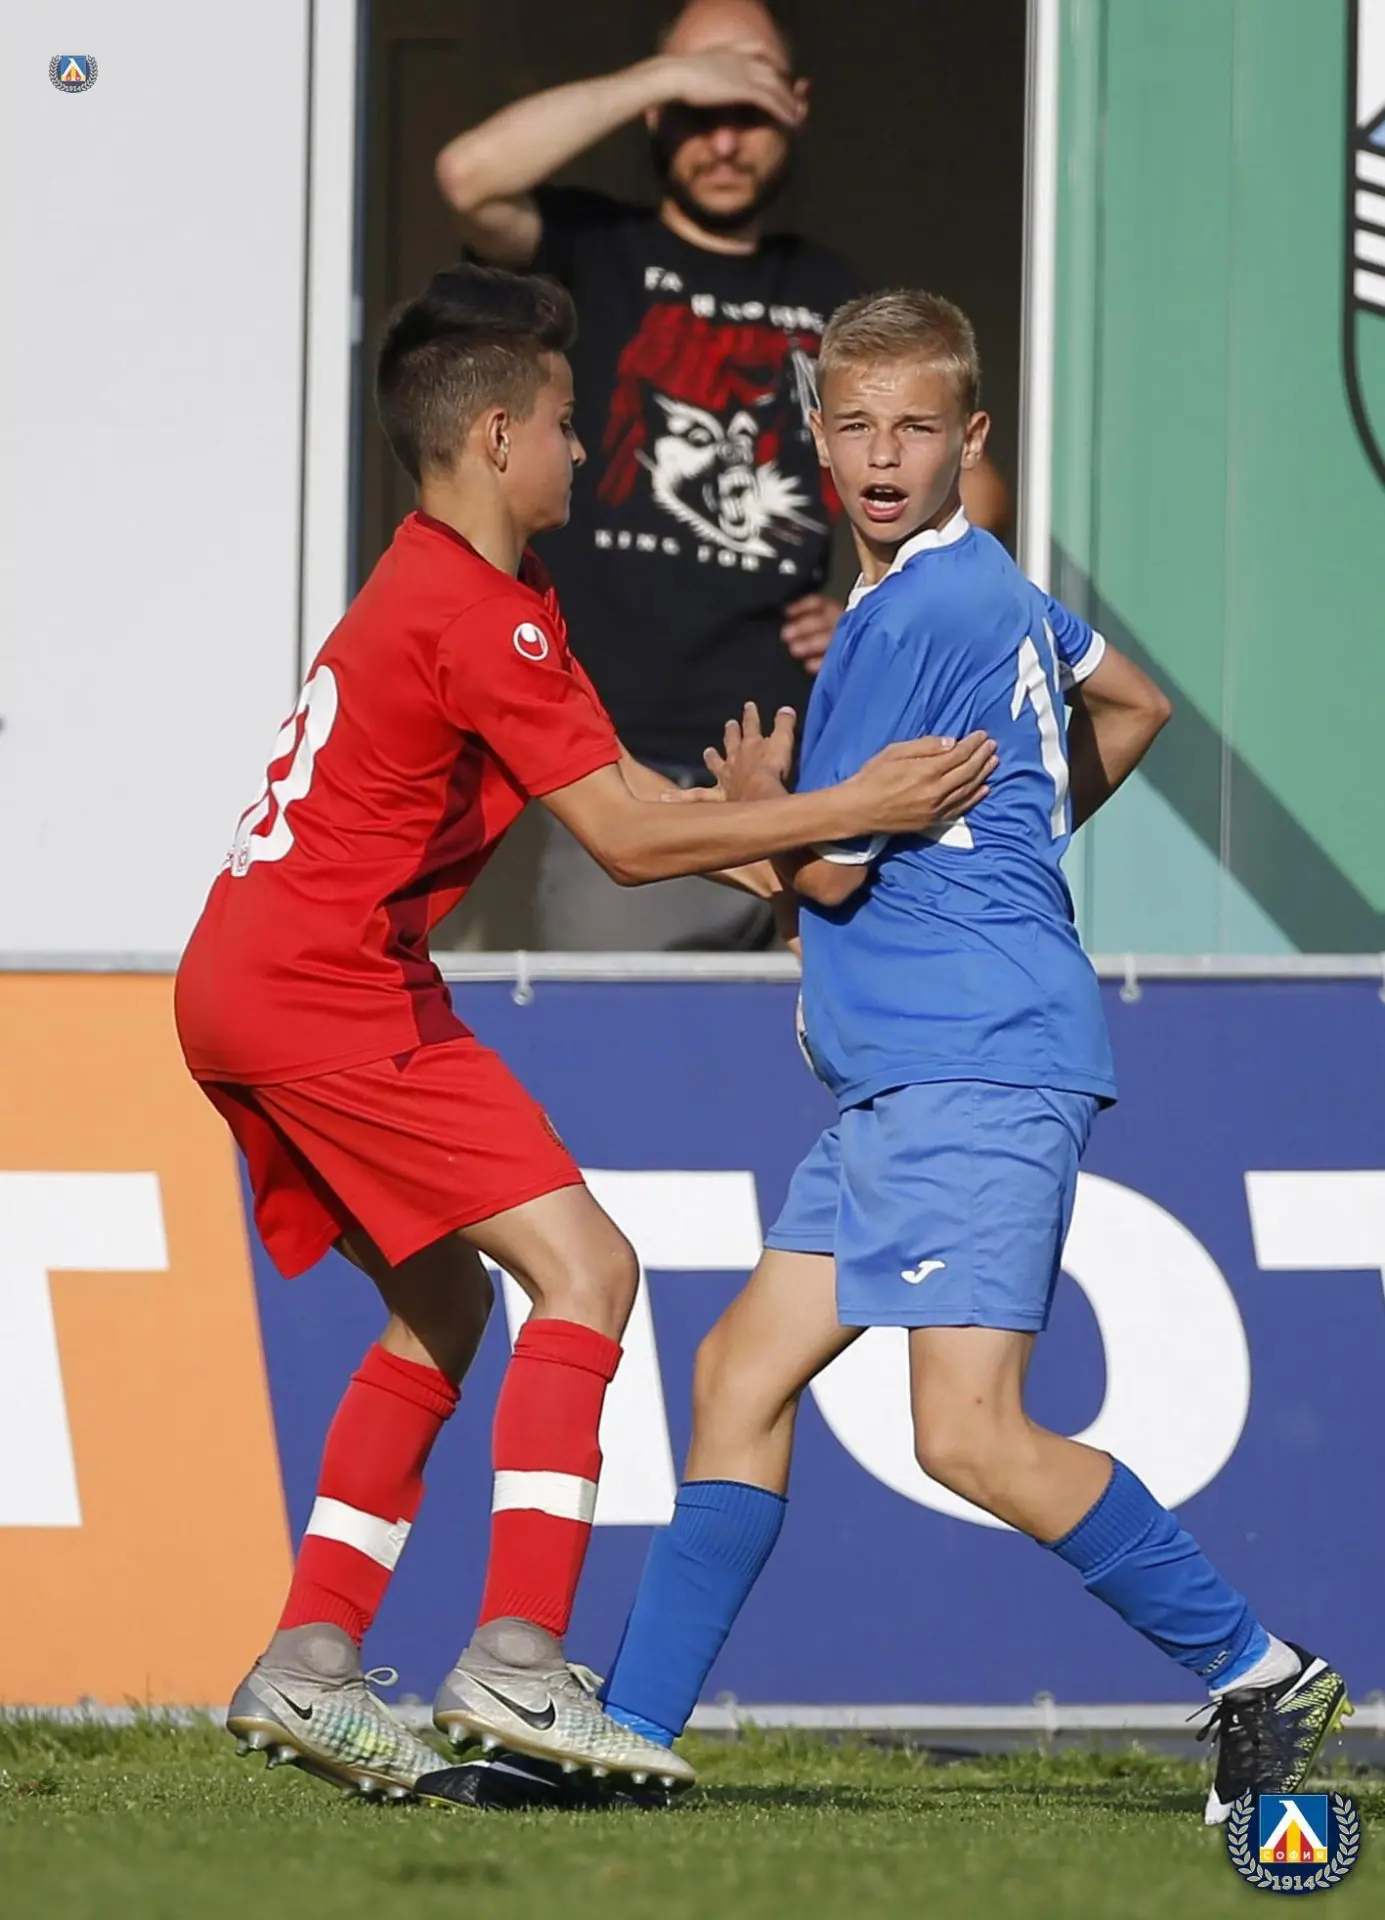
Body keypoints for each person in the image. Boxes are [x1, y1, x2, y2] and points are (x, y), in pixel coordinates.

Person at [455, 291, 1349, 1820]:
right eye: (857, 426)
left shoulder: (906, 619)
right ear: (814, 436)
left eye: (916, 429)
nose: (882, 456)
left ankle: (1258, 1673)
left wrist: (757, 805)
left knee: (969, 1434)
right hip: (910, 1080)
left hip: (972, 1065)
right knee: (738, 1374)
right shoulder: (983, 584)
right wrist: (1008, 833)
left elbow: (823, 871)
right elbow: (1129, 703)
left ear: (969, 439)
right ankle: (632, 1748)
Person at [172, 264, 996, 1806]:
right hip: (331, 990)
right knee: (591, 1271)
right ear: (498, 437)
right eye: (564, 421)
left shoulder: (460, 587)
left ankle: (311, 1660)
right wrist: (854, 804)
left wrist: (787, 851)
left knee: (441, 1306)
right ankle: (520, 1657)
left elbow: (615, 792)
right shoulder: (482, 614)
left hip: (251, 983)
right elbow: (621, 842)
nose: (583, 446)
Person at [436, 0, 1010, 950]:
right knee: (639, 1039)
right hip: (627, 774)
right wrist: (671, 74)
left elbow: (973, 490)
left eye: (749, 106)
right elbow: (470, 175)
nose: (725, 138)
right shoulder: (590, 253)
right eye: (700, 109)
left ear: (797, 105)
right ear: (658, 113)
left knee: (818, 1039)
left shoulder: (831, 296)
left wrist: (882, 607)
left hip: (812, 769)